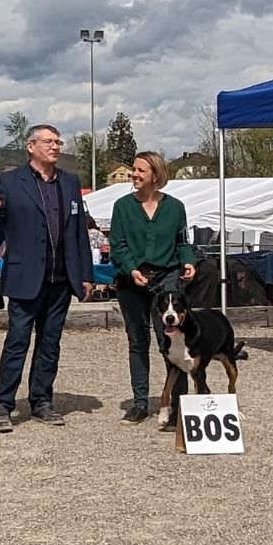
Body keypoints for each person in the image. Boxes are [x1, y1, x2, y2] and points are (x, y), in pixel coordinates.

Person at [0, 124, 93, 433]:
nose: (55, 146)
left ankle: (41, 400)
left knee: (50, 343)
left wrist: (85, 274)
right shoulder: (9, 181)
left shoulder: (70, 182)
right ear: (31, 147)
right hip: (25, 276)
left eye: (57, 142)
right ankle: (2, 405)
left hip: (60, 279)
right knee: (17, 342)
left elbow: (78, 231)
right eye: (48, 141)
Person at [108, 151, 197, 426]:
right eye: (134, 170)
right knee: (137, 342)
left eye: (140, 171)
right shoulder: (122, 207)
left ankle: (177, 405)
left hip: (167, 281)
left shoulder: (175, 207)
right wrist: (132, 269)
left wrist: (189, 262)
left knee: (171, 342)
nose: (134, 175)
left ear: (156, 175)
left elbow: (182, 242)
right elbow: (118, 245)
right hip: (131, 280)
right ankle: (139, 404)